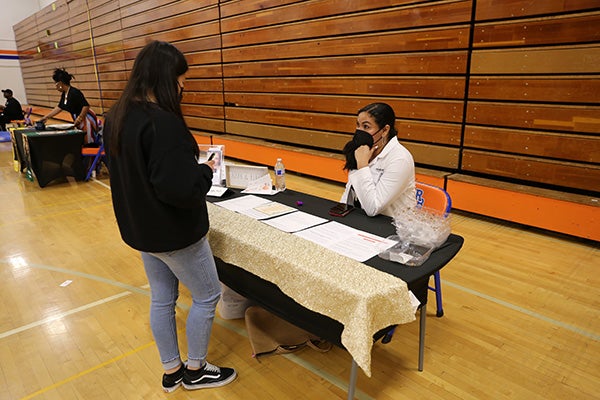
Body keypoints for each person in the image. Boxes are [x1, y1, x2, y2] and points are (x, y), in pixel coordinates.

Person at [103, 40, 236, 393]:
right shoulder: (162, 124)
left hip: (142, 229)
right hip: (174, 234)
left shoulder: (116, 115)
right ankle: (196, 369)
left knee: (162, 298)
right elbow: (180, 190)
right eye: (180, 81)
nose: (183, 88)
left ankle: (171, 369)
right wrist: (205, 171)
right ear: (166, 79)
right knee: (207, 296)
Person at [340, 102, 416, 217]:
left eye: (366, 127)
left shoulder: (400, 159)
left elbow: (373, 208)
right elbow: (348, 194)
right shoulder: (362, 149)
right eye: (358, 125)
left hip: (392, 227)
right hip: (361, 219)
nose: (359, 131)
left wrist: (362, 165)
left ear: (385, 130)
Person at [38, 68, 99, 144]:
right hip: (78, 118)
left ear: (60, 83)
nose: (55, 86)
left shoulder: (74, 92)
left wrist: (79, 118)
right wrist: (46, 117)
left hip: (86, 118)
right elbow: (59, 107)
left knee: (89, 142)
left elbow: (86, 106)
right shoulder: (65, 94)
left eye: (56, 83)